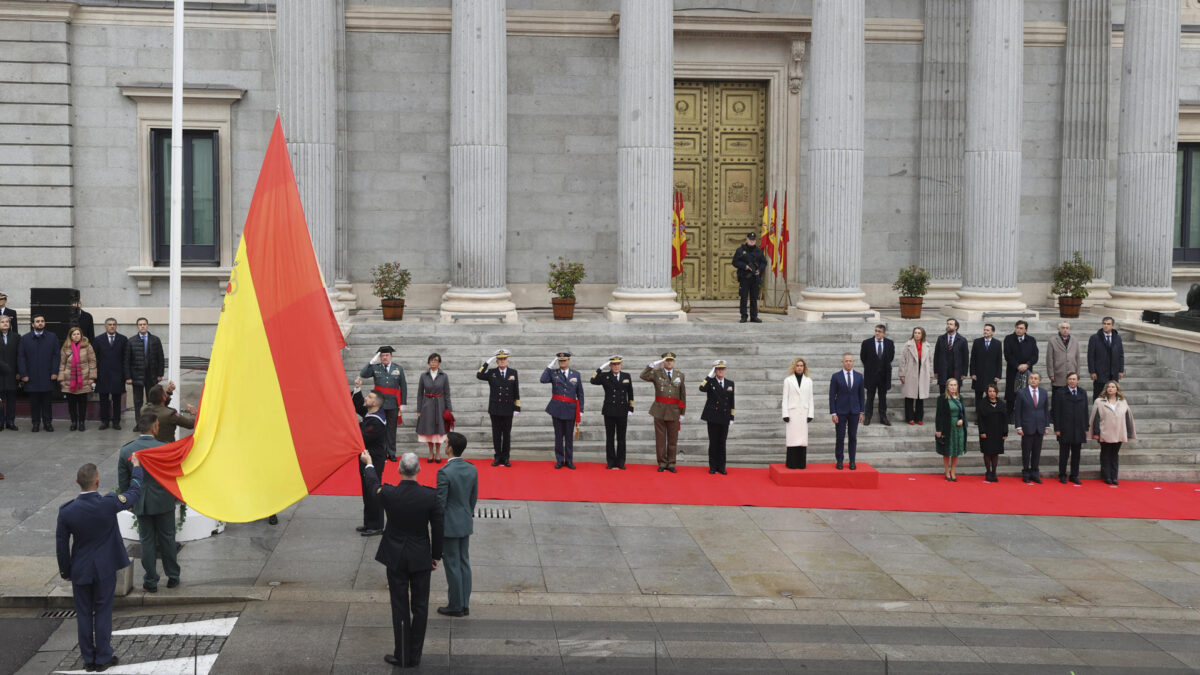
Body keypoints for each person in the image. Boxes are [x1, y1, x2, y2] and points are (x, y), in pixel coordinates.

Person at [57, 456, 144, 672]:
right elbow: (134, 492)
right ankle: (103, 656)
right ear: (97, 481)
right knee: (103, 611)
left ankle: (89, 658)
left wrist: (65, 571)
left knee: (84, 614)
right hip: (105, 568)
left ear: (77, 482)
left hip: (80, 569)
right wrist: (136, 468)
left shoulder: (67, 511)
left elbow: (61, 545)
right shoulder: (108, 503)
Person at [362, 450, 443, 669]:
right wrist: (436, 556)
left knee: (399, 605)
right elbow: (438, 527)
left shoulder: (389, 493)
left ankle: (403, 654)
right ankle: (415, 655)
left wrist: (369, 464)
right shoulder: (430, 496)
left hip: (395, 555)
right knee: (421, 606)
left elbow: (372, 488)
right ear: (419, 470)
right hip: (420, 556)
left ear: (399, 470)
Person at [118, 412, 179, 592]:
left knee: (146, 541)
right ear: (154, 427)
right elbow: (173, 475)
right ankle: (173, 576)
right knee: (168, 539)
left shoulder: (127, 450)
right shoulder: (165, 448)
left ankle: (151, 580)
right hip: (164, 501)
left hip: (141, 502)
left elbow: (124, 481)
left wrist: (128, 502)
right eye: (158, 425)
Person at [436, 431, 477, 618]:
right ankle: (464, 603)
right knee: (464, 562)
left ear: (450, 447)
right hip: (465, 520)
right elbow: (472, 498)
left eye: (446, 443)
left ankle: (455, 605)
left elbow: (440, 504)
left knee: (452, 564)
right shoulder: (471, 469)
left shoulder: (444, 472)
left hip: (450, 525)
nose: (444, 445)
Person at [357, 345, 407, 461]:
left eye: (387, 355)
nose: (385, 357)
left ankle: (392, 452)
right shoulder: (375, 368)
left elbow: (403, 386)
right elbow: (363, 374)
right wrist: (371, 362)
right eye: (382, 355)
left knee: (391, 429)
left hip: (393, 404)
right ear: (380, 357)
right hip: (379, 404)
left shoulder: (398, 369)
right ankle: (382, 451)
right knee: (379, 428)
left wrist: (403, 402)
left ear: (391, 356)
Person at [642, 352, 686, 473]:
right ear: (663, 362)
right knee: (660, 439)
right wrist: (651, 365)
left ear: (674, 362)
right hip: (660, 410)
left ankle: (671, 463)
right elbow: (643, 376)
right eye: (666, 360)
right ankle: (662, 462)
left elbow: (682, 395)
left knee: (673, 440)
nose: (669, 362)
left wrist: (682, 413)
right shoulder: (656, 374)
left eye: (671, 360)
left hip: (674, 411)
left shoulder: (680, 375)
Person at [352, 387, 388, 536]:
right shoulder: (372, 412)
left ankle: (376, 526)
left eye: (369, 396)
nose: (366, 398)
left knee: (373, 492)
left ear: (375, 403)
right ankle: (368, 523)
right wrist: (357, 387)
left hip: (373, 460)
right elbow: (358, 404)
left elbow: (363, 436)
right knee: (367, 492)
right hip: (367, 457)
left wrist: (352, 425)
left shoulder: (377, 421)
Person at [477, 348, 520, 467]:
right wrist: (486, 363)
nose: (502, 361)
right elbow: (479, 375)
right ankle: (497, 457)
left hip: (508, 408)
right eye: (500, 359)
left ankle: (506, 458)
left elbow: (516, 391)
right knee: (496, 434)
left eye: (504, 359)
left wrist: (517, 408)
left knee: (506, 435)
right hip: (495, 408)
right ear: (496, 361)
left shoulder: (513, 372)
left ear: (508, 360)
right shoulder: (492, 372)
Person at [590, 354, 634, 470]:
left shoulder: (626, 375)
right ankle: (610, 461)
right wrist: (600, 368)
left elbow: (630, 393)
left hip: (622, 410)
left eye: (618, 364)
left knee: (621, 438)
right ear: (610, 365)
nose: (616, 366)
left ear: (621, 365)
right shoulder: (605, 376)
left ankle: (620, 462)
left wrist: (631, 408)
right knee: (610, 438)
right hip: (609, 410)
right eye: (614, 364)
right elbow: (592, 380)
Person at [542, 352, 584, 469]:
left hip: (570, 409)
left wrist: (581, 409)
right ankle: (560, 460)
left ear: (568, 361)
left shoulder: (575, 374)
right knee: (559, 436)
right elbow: (542, 379)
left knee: (569, 437)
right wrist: (550, 366)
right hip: (557, 409)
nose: (562, 363)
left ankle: (569, 460)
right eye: (560, 361)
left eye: (564, 360)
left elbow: (580, 393)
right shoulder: (553, 373)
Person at [18, 314, 60, 432]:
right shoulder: (25, 338)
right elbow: (21, 358)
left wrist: (54, 371)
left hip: (47, 375)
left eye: (42, 321)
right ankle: (35, 423)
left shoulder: (52, 337)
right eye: (37, 321)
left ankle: (47, 423)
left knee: (47, 402)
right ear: (33, 324)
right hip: (31, 377)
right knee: (34, 403)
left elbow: (56, 356)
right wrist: (23, 374)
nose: (40, 323)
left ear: (45, 323)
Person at [1090, 380, 1136, 485]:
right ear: (1106, 389)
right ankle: (1106, 476)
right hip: (1105, 432)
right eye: (1109, 387)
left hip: (1119, 432)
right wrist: (1096, 432)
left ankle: (1114, 476)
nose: (1110, 388)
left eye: (1113, 387)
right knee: (1105, 454)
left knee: (1114, 455)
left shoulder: (1123, 401)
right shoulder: (1099, 401)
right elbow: (1096, 418)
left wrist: (1128, 433)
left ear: (1117, 389)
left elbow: (1127, 417)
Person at [828, 353, 865, 470]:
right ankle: (839, 460)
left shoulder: (859, 376)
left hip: (854, 411)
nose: (848, 362)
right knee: (840, 437)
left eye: (850, 361)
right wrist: (833, 413)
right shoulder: (836, 376)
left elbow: (861, 395)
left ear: (853, 362)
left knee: (853, 437)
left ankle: (852, 461)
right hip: (840, 412)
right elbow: (831, 395)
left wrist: (862, 411)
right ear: (842, 362)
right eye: (846, 361)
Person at [1013, 371, 1050, 484]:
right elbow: (1018, 411)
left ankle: (1035, 473)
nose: (1033, 380)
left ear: (1040, 381)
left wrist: (1047, 426)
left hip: (1040, 426)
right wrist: (1018, 426)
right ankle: (1026, 472)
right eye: (1031, 378)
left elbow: (1045, 410)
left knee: (1036, 452)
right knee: (1026, 451)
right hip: (1026, 426)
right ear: (1028, 380)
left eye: (1035, 378)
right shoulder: (1021, 393)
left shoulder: (1043, 393)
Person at [699, 360, 735, 474]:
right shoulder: (711, 382)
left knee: (722, 442)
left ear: (725, 370)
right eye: (718, 369)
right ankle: (713, 466)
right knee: (713, 442)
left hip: (724, 416)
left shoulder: (730, 383)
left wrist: (732, 417)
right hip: (713, 417)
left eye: (722, 369)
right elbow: (701, 388)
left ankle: (722, 467)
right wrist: (710, 374)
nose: (721, 371)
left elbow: (731, 401)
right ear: (715, 371)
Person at [1052, 372, 1089, 485]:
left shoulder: (1082, 393)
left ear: (1078, 380)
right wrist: (1057, 428)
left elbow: (1085, 411)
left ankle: (1074, 475)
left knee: (1076, 455)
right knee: (1064, 454)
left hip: (1079, 428)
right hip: (1064, 428)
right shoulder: (1060, 392)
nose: (1072, 381)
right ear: (1067, 380)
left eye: (1074, 379)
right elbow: (1056, 411)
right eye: (1070, 379)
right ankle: (1062, 475)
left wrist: (1086, 427)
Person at [416, 353, 452, 463]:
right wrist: (419, 409)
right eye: (431, 361)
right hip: (427, 406)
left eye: (435, 361)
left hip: (440, 405)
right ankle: (430, 452)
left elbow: (447, 393)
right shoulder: (423, 375)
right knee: (429, 430)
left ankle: (438, 452)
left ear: (439, 362)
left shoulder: (444, 376)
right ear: (428, 362)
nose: (433, 363)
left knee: (439, 430)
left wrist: (449, 409)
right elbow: (419, 394)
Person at [123, 318, 164, 415]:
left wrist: (160, 374)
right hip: (137, 376)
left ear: (147, 325)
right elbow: (127, 361)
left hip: (152, 375)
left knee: (152, 400)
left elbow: (160, 358)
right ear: (137, 326)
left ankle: (151, 423)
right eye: (140, 324)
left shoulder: (155, 340)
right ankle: (139, 423)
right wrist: (128, 377)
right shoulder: (131, 341)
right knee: (138, 401)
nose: (142, 326)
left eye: (144, 324)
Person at [59, 326, 96, 431]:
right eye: (74, 334)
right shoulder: (65, 348)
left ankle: (81, 422)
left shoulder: (88, 347)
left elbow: (92, 362)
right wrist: (61, 378)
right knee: (71, 404)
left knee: (82, 403)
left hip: (83, 379)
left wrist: (92, 377)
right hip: (69, 379)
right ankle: (74, 422)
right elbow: (62, 364)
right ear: (70, 336)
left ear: (81, 335)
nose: (76, 336)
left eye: (78, 334)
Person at [93, 318, 127, 430]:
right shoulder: (98, 339)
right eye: (109, 324)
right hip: (103, 374)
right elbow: (95, 359)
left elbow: (125, 359)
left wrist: (126, 376)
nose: (112, 326)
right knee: (103, 400)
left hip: (118, 375)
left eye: (114, 324)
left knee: (117, 400)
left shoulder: (123, 339)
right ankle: (104, 421)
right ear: (105, 326)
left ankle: (116, 421)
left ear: (116, 326)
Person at [859, 324, 894, 426]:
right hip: (871, 375)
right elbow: (863, 357)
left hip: (884, 376)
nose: (877, 333)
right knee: (870, 397)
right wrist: (871, 367)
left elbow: (890, 357)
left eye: (879, 331)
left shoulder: (889, 343)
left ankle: (883, 417)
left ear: (884, 333)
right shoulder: (867, 343)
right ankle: (868, 417)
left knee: (883, 398)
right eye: (876, 331)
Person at [781, 357, 814, 469]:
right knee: (792, 438)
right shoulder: (788, 380)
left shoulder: (808, 381)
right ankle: (791, 463)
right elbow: (785, 398)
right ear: (794, 367)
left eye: (801, 366)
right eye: (798, 365)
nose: (799, 367)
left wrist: (811, 414)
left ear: (804, 367)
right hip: (792, 414)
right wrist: (785, 413)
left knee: (802, 439)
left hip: (804, 413)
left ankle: (801, 463)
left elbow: (810, 398)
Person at [899, 327, 934, 425]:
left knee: (920, 396)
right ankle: (910, 417)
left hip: (923, 372)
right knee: (909, 397)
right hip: (910, 372)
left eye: (919, 333)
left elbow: (930, 361)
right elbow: (903, 360)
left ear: (922, 334)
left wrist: (931, 375)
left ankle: (919, 418)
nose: (917, 334)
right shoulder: (908, 345)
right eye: (915, 332)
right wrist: (902, 374)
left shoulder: (927, 345)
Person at [934, 378, 968, 481]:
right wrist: (939, 429)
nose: (953, 387)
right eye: (951, 385)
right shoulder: (942, 398)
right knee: (947, 450)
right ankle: (947, 471)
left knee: (956, 450)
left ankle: (953, 471)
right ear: (947, 387)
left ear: (957, 386)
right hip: (947, 427)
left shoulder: (960, 398)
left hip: (958, 428)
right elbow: (939, 415)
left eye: (955, 385)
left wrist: (962, 420)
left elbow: (963, 413)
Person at [1004, 320, 1039, 417]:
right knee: (1011, 393)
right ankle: (1009, 415)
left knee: (1026, 393)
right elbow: (1008, 355)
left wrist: (1027, 365)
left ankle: (1024, 414)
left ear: (1025, 330)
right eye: (1017, 328)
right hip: (1013, 370)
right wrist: (1017, 365)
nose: (1018, 330)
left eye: (1021, 328)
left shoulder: (1031, 340)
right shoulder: (1009, 339)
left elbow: (1035, 356)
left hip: (1027, 371)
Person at [731, 232, 768, 323]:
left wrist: (760, 269)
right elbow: (735, 262)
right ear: (747, 239)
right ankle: (744, 316)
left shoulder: (758, 251)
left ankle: (754, 316)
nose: (752, 241)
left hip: (755, 278)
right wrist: (745, 266)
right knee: (743, 297)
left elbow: (764, 262)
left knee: (754, 298)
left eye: (753, 240)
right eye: (750, 240)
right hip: (744, 277)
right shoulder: (740, 250)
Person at [1087, 317, 1125, 400]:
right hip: (1100, 372)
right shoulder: (1095, 338)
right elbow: (1091, 356)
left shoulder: (1117, 338)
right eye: (1104, 324)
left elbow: (1121, 355)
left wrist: (1121, 370)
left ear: (1112, 326)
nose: (1106, 326)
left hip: (1113, 373)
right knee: (1098, 395)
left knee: (1112, 396)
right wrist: (1092, 371)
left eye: (1108, 324)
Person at [969, 323, 1003, 415]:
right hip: (979, 375)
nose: (985, 331)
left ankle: (989, 414)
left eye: (988, 330)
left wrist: (998, 375)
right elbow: (973, 359)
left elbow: (999, 361)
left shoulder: (997, 343)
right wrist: (973, 373)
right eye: (984, 330)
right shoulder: (977, 342)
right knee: (978, 396)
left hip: (991, 375)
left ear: (992, 332)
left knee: (990, 395)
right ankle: (979, 416)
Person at [977, 384, 1008, 482]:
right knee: (987, 452)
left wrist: (1005, 433)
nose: (992, 393)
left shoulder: (1001, 403)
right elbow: (980, 419)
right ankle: (988, 472)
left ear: (997, 392)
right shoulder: (982, 403)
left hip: (998, 432)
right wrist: (982, 431)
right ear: (987, 392)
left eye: (994, 391)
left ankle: (994, 472)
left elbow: (1005, 419)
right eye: (990, 391)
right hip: (986, 432)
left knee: (995, 453)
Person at [933, 318, 969, 395]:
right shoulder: (940, 339)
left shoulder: (962, 340)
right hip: (943, 370)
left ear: (956, 327)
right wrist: (936, 371)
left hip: (956, 371)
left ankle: (954, 407)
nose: (948, 326)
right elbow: (936, 355)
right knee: (943, 393)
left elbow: (965, 358)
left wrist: (964, 373)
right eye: (947, 324)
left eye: (951, 324)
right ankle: (943, 407)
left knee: (955, 393)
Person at [1045, 321, 1080, 399]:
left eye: (1067, 328)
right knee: (1057, 397)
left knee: (1070, 397)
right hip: (1058, 373)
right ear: (1059, 329)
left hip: (1072, 372)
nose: (1065, 330)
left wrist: (1077, 373)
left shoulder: (1074, 340)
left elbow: (1077, 357)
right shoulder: (1053, 340)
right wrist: (1051, 374)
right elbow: (1049, 358)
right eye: (1063, 328)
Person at [0, 315, 20, 430]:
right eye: (2, 322)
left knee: (12, 400)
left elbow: (20, 356)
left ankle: (10, 422)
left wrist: (18, 371)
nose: (5, 324)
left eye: (7, 321)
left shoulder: (16, 337)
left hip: (12, 373)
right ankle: (0, 422)